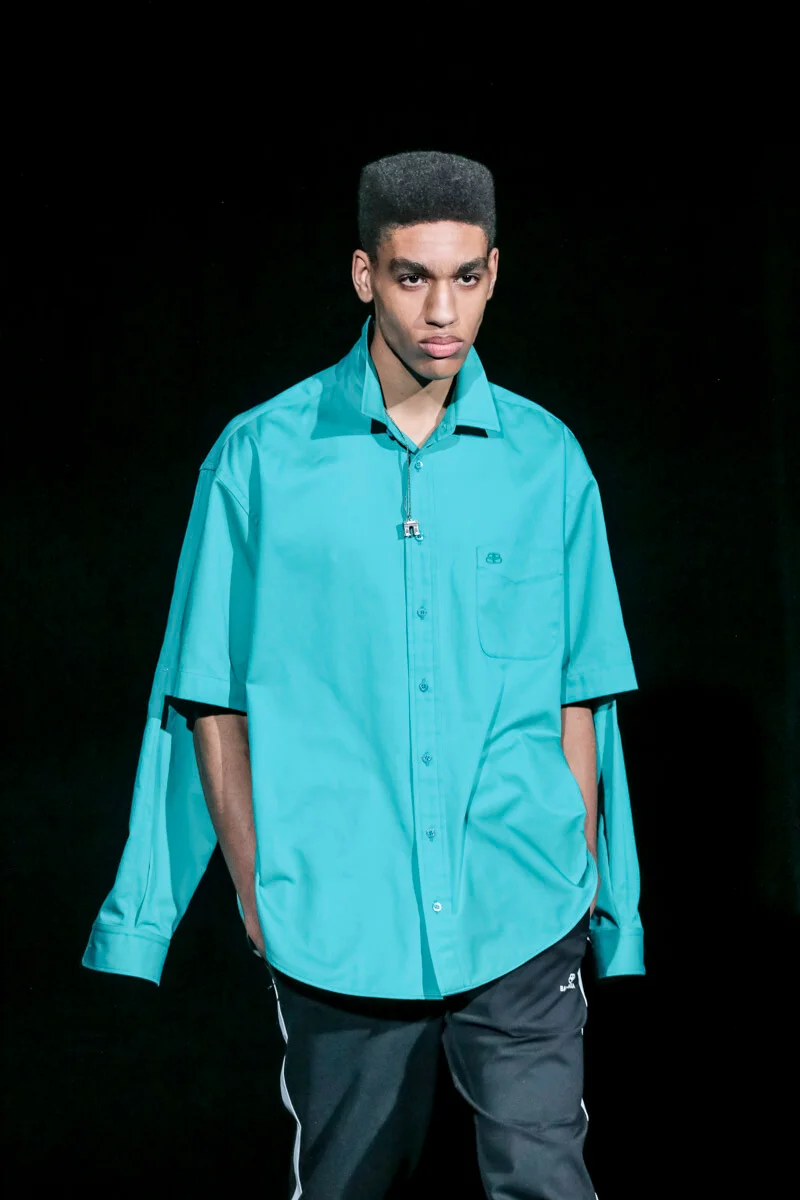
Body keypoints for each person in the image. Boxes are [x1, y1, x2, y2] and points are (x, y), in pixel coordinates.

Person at [83, 150, 645, 1199]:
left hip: (521, 900)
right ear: (362, 274)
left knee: (546, 1181)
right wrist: (251, 889)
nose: (442, 310)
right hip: (338, 915)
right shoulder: (260, 458)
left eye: (466, 277)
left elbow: (581, 691)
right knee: (346, 1185)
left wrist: (586, 886)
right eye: (411, 276)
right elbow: (206, 696)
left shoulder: (547, 461)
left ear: (493, 273)